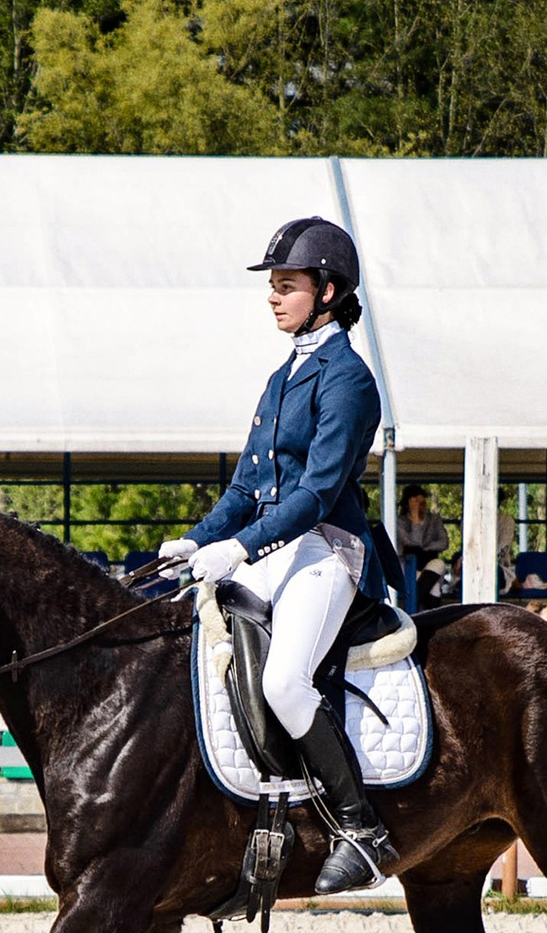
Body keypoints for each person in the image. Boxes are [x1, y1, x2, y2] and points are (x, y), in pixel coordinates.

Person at [158, 217, 393, 895]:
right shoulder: (281, 376)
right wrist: (200, 538)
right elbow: (246, 487)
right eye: (274, 286)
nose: (274, 296)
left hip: (325, 549)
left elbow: (317, 493)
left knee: (285, 681)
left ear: (326, 290)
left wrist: (239, 546)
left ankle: (361, 826)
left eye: (286, 285)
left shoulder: (347, 380)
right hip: (270, 549)